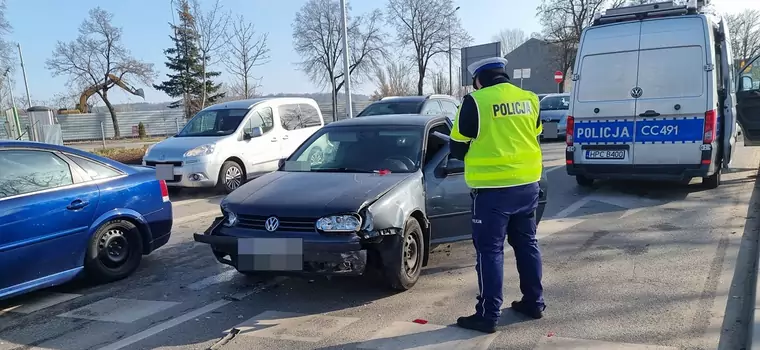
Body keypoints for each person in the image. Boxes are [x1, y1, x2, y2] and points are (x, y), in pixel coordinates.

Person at [450, 56, 545, 334]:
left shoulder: (475, 102)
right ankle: (534, 303)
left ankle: (488, 315)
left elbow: (457, 148)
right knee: (527, 243)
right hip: (528, 185)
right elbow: (534, 135)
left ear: (478, 80)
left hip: (492, 192)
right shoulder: (530, 98)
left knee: (490, 252)